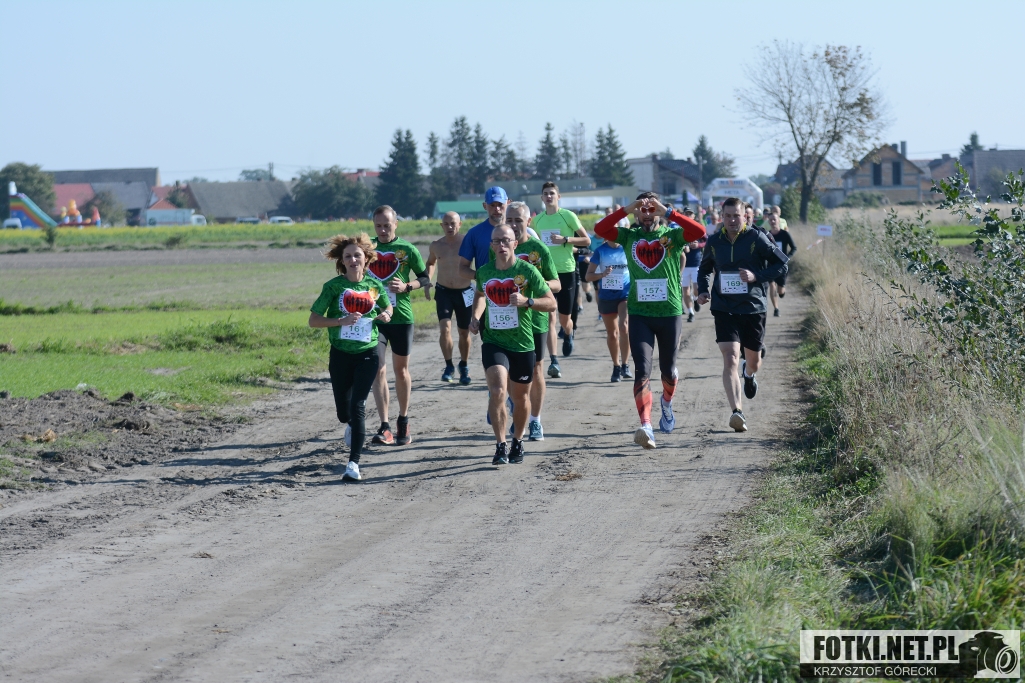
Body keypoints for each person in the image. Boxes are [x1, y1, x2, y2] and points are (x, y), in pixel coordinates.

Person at [593, 192, 706, 449]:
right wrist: (627, 208)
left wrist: (668, 212)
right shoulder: (629, 237)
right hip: (640, 314)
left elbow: (699, 232)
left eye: (651, 209)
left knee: (668, 371)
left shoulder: (672, 236)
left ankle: (666, 403)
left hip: (669, 312)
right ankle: (646, 425)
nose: (647, 215)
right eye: (642, 210)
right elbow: (600, 230)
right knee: (642, 370)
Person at [696, 197, 789, 433]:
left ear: (745, 216)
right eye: (727, 216)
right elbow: (705, 268)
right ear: (722, 217)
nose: (731, 220)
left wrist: (756, 276)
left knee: (753, 361)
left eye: (736, 216)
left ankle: (748, 375)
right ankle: (737, 411)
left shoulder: (757, 238)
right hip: (724, 307)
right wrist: (704, 290)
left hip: (752, 307)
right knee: (730, 358)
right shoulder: (714, 241)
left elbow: (782, 264)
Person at [469, 224, 556, 464]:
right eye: (496, 241)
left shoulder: (527, 271)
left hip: (523, 343)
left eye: (506, 240)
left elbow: (551, 303)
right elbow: (480, 295)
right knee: (498, 390)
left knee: (520, 398)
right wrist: (475, 317)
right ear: (491, 246)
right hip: (494, 341)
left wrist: (527, 301)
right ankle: (500, 445)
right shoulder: (484, 272)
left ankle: (518, 439)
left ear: (515, 244)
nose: (501, 245)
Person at [309, 233, 394, 481]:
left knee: (358, 406)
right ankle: (349, 423)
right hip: (340, 354)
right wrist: (340, 321)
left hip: (368, 352)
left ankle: (353, 464)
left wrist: (387, 314)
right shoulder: (333, 287)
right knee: (344, 412)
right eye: (348, 256)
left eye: (357, 255)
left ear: (366, 258)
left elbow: (388, 306)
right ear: (342, 261)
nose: (353, 260)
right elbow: (313, 320)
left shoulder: (374, 286)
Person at [368, 205, 429, 447]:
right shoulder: (367, 248)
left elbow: (425, 278)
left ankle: (403, 419)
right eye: (378, 226)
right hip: (376, 317)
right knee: (378, 369)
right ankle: (384, 426)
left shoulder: (407, 249)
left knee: (401, 371)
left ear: (396, 224)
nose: (383, 230)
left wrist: (407, 287)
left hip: (401, 317)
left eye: (387, 225)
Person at [504, 201, 561, 440]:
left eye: (518, 220)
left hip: (534, 318)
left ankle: (535, 420)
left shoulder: (539, 249)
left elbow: (557, 283)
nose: (513, 225)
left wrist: (536, 284)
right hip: (505, 318)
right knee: (508, 369)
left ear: (528, 222)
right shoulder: (497, 247)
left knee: (536, 368)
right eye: (509, 220)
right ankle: (517, 412)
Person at [533, 182, 591, 367]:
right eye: (545, 194)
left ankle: (568, 333)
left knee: (565, 320)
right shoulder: (537, 220)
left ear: (558, 196)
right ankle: (554, 360)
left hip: (566, 271)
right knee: (550, 316)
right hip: (545, 274)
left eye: (552, 193)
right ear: (542, 198)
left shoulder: (568, 216)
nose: (549, 196)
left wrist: (565, 239)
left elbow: (586, 240)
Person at [426, 211, 473, 384]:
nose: (450, 227)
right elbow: (431, 263)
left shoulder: (468, 242)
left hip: (464, 291)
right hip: (443, 291)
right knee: (445, 328)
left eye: (453, 223)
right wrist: (427, 281)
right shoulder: (436, 245)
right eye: (446, 224)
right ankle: (449, 366)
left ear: (460, 224)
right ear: (441, 225)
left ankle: (464, 365)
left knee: (464, 332)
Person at [586, 235, 631, 382]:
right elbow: (588, 276)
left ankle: (625, 365)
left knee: (624, 327)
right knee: (612, 334)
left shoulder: (627, 248)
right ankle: (616, 366)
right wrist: (602, 274)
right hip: (606, 296)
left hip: (625, 294)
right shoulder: (600, 251)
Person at [765, 206, 797, 317]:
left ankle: (782, 292)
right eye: (771, 220)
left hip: (782, 265)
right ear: (769, 222)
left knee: (780, 291)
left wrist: (787, 258)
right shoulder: (767, 236)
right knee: (771, 285)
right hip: (770, 265)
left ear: (779, 221)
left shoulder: (785, 234)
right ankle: (776, 308)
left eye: (774, 219)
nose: (773, 222)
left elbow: (794, 248)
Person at [678, 208, 706, 323]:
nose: (688, 215)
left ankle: (695, 299)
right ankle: (691, 313)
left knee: (696, 288)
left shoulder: (698, 227)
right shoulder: (680, 228)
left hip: (696, 263)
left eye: (690, 214)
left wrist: (698, 245)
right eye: (686, 214)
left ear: (694, 216)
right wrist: (683, 246)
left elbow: (707, 241)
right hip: (684, 264)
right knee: (685, 291)